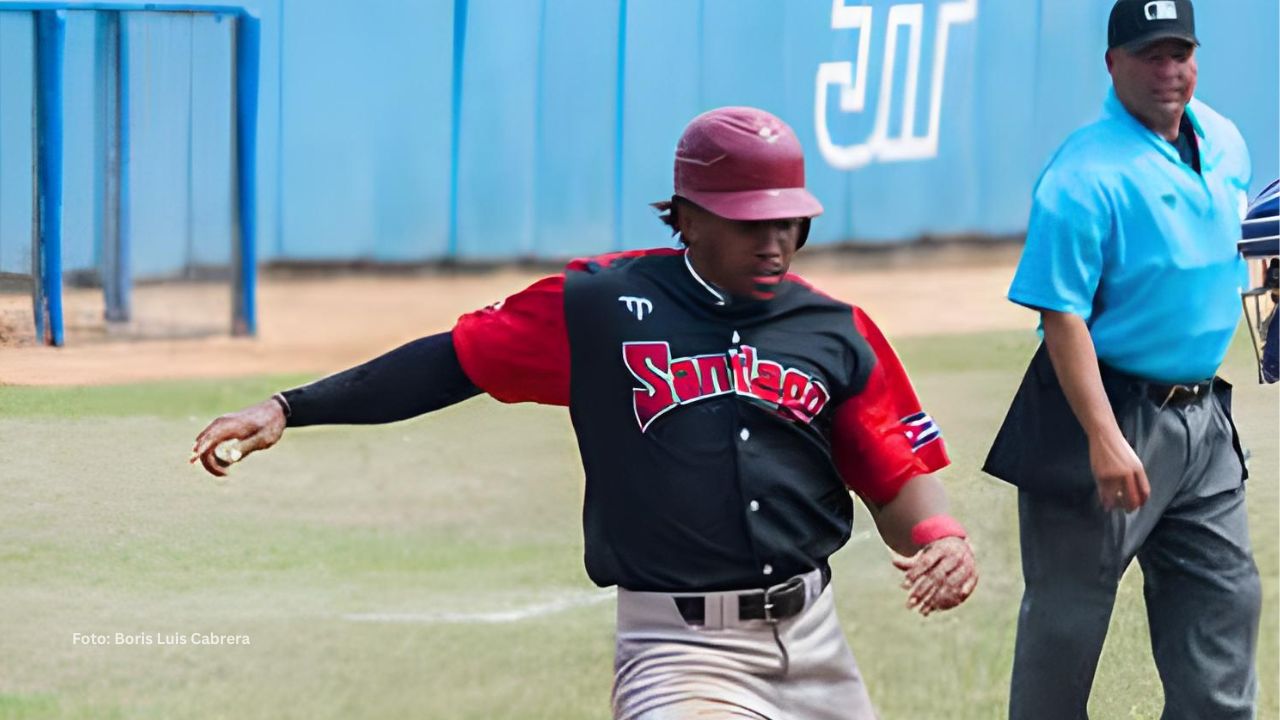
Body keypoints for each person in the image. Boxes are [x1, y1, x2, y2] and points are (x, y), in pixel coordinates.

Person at [193, 106, 978, 719]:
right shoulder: (601, 307)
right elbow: (451, 362)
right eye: (750, 220)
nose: (774, 241)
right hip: (679, 650)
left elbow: (891, 469)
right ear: (689, 217)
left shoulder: (834, 328)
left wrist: (939, 537)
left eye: (788, 220)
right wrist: (290, 407)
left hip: (815, 642)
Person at [984, 2, 1261, 718]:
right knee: (1065, 634)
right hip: (1101, 416)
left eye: (1179, 53)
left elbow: (1232, 250)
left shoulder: (1226, 141)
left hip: (1204, 419)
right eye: (1149, 55)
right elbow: (1059, 312)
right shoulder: (1082, 174)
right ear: (1113, 64)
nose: (1168, 71)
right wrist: (1105, 439)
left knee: (1225, 610)